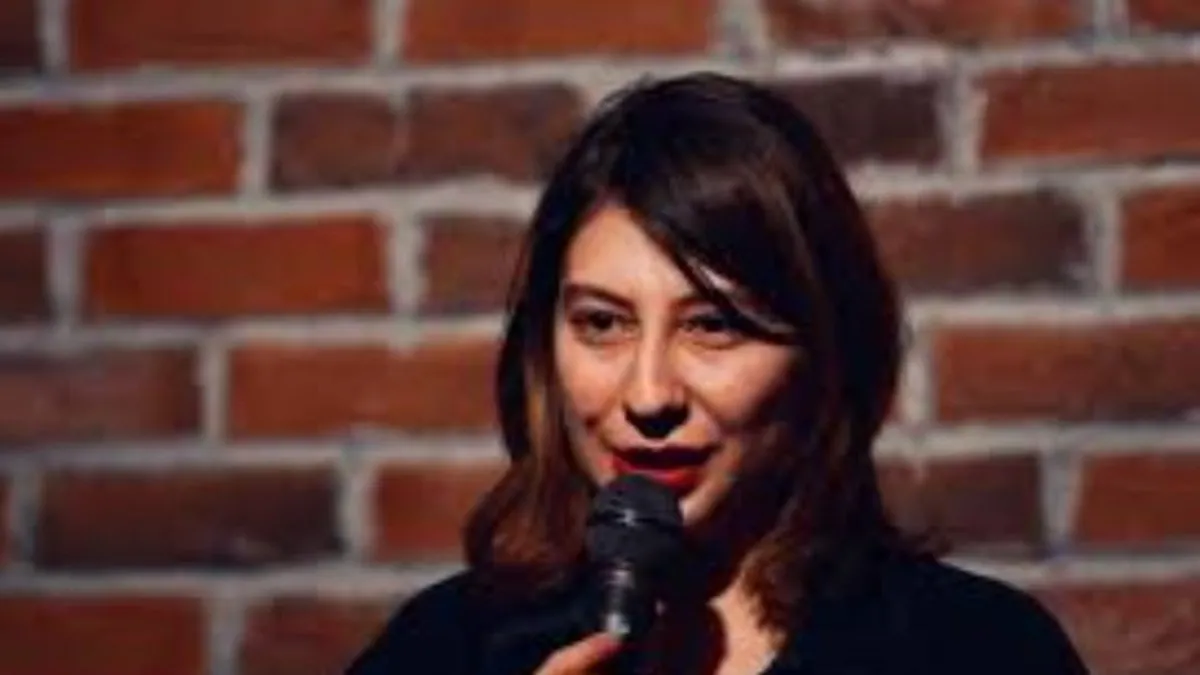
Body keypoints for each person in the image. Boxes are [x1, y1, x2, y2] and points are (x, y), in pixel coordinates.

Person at [346, 72, 1088, 675]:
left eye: (713, 326)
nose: (648, 395)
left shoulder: (976, 648)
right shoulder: (448, 646)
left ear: (825, 353)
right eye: (602, 323)